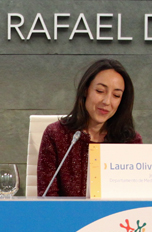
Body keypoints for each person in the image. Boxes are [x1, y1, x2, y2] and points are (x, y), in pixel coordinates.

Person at [37, 59, 143, 197]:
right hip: (65, 217)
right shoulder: (56, 134)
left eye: (116, 95)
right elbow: (47, 198)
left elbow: (135, 197)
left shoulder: (130, 141)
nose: (106, 102)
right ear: (86, 90)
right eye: (100, 91)